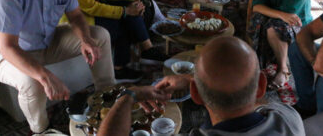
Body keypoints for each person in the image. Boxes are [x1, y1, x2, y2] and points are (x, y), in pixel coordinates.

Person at [0, 0, 115, 134]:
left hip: (48, 40)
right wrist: (44, 75)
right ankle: (42, 130)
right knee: (32, 81)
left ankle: (107, 101)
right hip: (11, 53)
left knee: (100, 35)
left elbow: (76, 16)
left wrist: (85, 40)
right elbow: (7, 46)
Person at [98, 36, 305, 136]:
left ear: (195, 95)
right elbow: (259, 101)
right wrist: (191, 82)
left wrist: (129, 95)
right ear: (260, 85)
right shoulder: (289, 118)